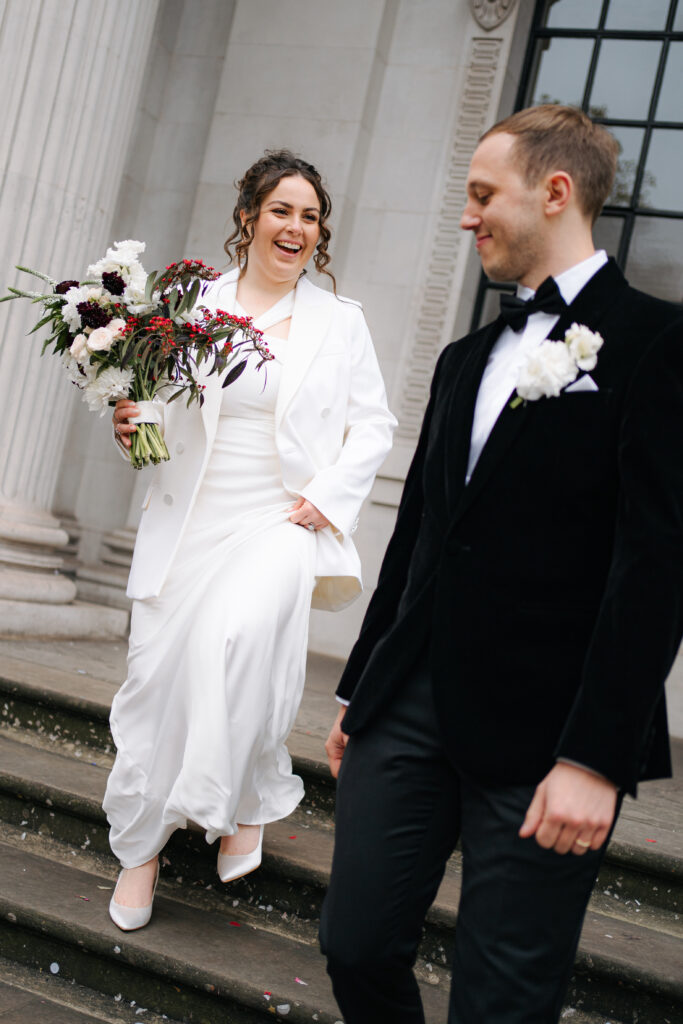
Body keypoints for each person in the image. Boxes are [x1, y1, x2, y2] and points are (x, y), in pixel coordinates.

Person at [319, 105, 683, 1023]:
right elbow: (417, 540)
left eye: (483, 195)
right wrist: (359, 691)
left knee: (501, 999)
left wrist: (595, 760)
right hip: (405, 710)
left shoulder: (657, 346)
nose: (466, 216)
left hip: (550, 735)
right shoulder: (461, 358)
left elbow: (656, 565)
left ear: (554, 192)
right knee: (353, 945)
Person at [103, 150, 397, 932]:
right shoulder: (187, 307)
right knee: (158, 681)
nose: (295, 228)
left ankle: (238, 800)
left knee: (233, 641)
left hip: (278, 517)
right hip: (188, 518)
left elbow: (374, 426)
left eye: (309, 216)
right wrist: (128, 425)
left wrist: (327, 498)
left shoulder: (342, 323)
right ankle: (142, 851)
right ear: (248, 217)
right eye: (281, 211)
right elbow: (153, 414)